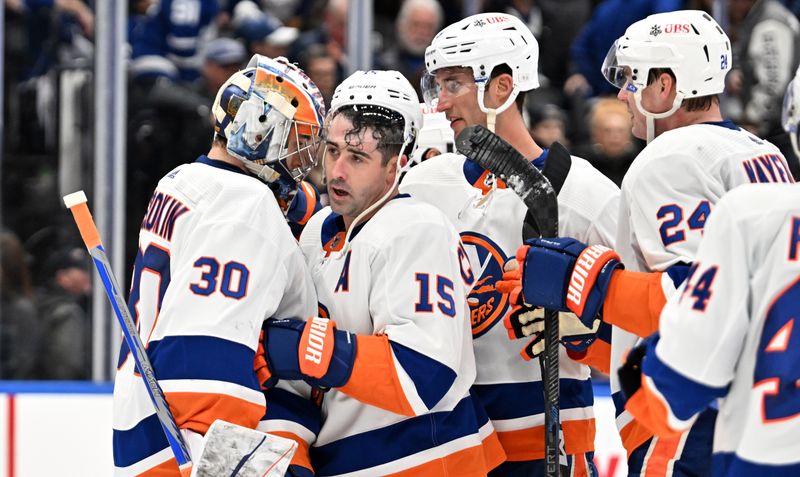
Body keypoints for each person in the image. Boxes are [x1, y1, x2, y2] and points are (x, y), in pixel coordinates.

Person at [504, 9, 795, 477]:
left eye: (633, 80)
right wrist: (599, 335)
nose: (622, 95)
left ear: (666, 86)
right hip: (759, 408)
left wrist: (581, 281)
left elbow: (692, 301)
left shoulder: (671, 156)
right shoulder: (763, 152)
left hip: (688, 421)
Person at [401, 12, 621, 476]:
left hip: (548, 441)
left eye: (454, 85)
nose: (439, 104)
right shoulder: (421, 186)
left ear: (502, 87)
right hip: (450, 442)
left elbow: (646, 333)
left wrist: (586, 332)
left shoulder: (586, 194)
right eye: (436, 86)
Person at [256, 70, 504, 476]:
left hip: (430, 460)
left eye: (357, 158)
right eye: (333, 151)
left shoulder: (417, 229)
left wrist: (309, 350)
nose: (336, 171)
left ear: (397, 165)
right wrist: (288, 451)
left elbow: (424, 373)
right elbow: (302, 380)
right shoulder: (317, 232)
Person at [112, 54, 325, 476]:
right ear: (260, 130)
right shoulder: (245, 204)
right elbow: (204, 361)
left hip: (144, 430)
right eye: (296, 143)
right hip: (195, 448)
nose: (301, 164)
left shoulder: (183, 180)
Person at [36, 246, 92, 380]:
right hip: (64, 393)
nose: (87, 276)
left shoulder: (42, 303)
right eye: (81, 270)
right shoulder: (67, 313)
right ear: (62, 277)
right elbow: (68, 366)